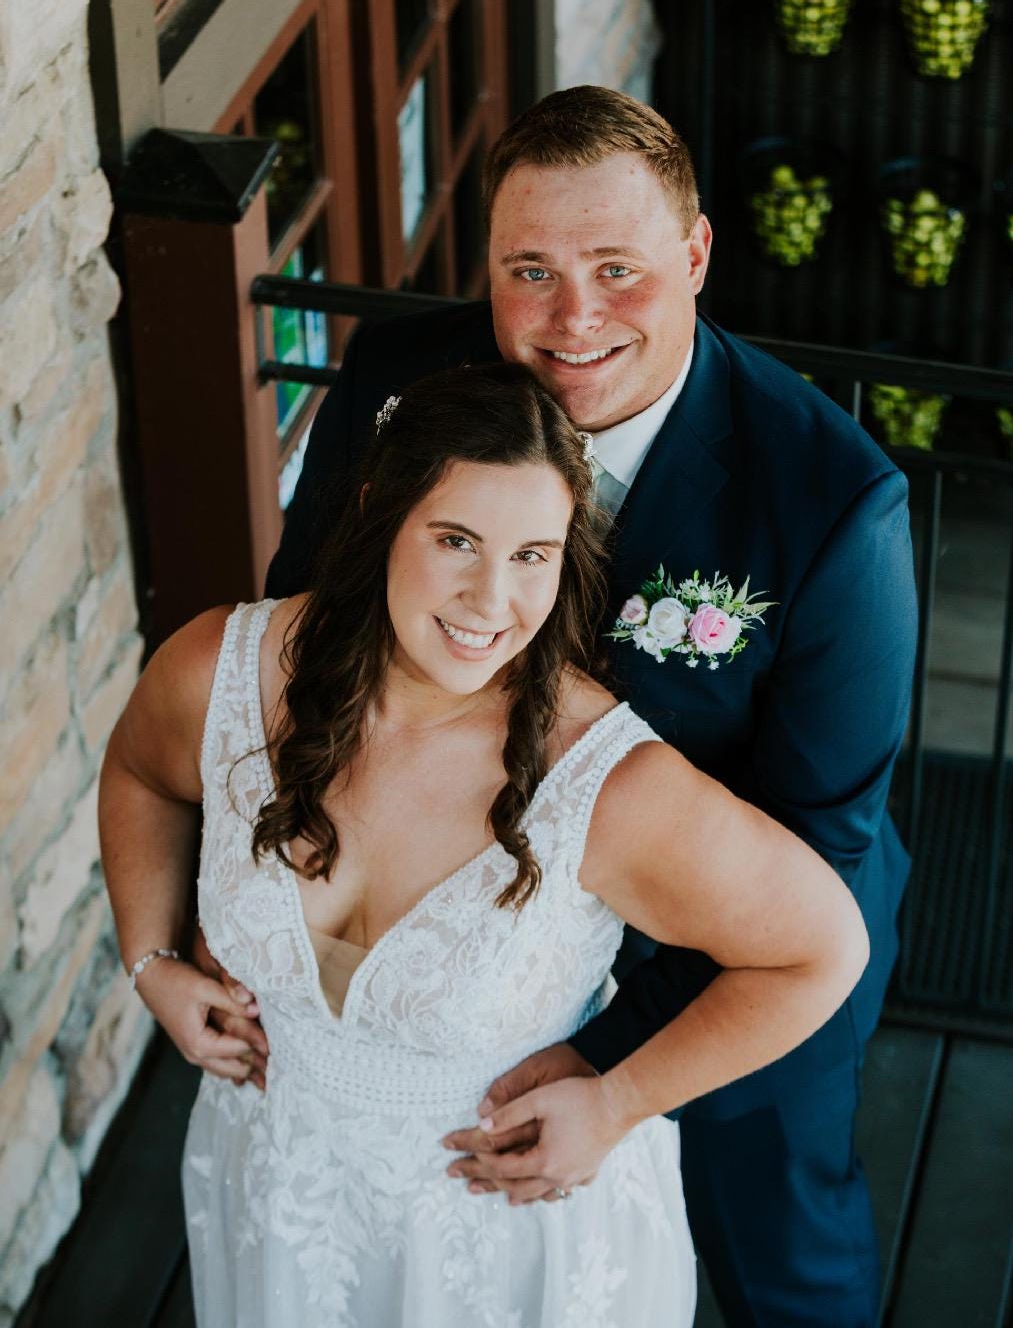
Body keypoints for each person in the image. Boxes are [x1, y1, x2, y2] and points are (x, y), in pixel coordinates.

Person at [239, 86, 919, 1327]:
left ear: (697, 254)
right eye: (530, 270)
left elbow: (824, 835)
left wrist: (616, 1071)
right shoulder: (402, 381)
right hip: (465, 961)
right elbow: (296, 637)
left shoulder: (833, 504)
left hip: (722, 961)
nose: (572, 318)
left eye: (619, 268)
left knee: (782, 1255)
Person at [99, 365, 867, 1328]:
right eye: (455, 539)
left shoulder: (599, 782)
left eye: (531, 554)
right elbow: (138, 773)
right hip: (279, 1202)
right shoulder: (225, 672)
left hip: (508, 1245)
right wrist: (150, 957)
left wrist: (621, 1099)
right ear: (383, 513)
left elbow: (820, 946)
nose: (488, 598)